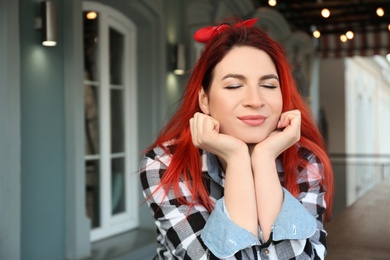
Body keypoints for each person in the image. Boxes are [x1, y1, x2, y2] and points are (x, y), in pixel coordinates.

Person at [139, 18, 333, 259]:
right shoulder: (165, 164)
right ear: (204, 100)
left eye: (269, 85)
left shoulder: (304, 160)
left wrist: (263, 159)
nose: (255, 100)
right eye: (233, 86)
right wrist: (237, 158)